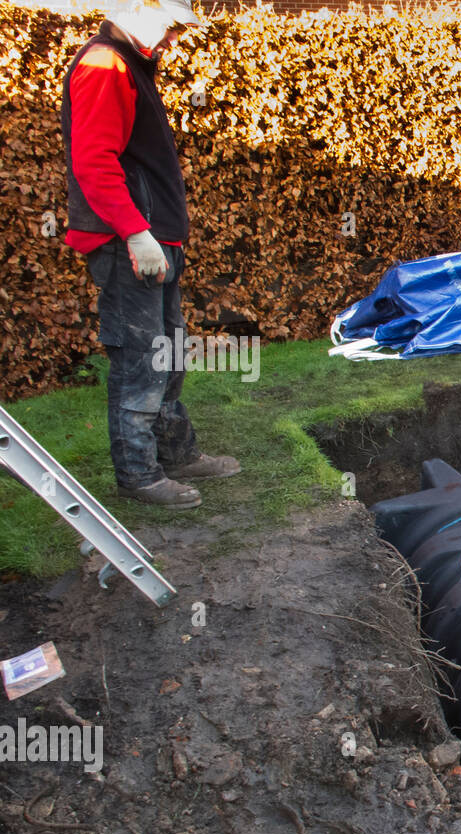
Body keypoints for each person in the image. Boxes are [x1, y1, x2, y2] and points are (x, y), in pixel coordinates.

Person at [61, 0, 239, 510]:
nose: (172, 40)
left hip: (154, 241)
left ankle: (176, 453)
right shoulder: (104, 64)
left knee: (170, 351)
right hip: (129, 246)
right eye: (168, 29)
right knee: (141, 360)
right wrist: (136, 234)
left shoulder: (130, 64)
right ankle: (139, 475)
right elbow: (94, 161)